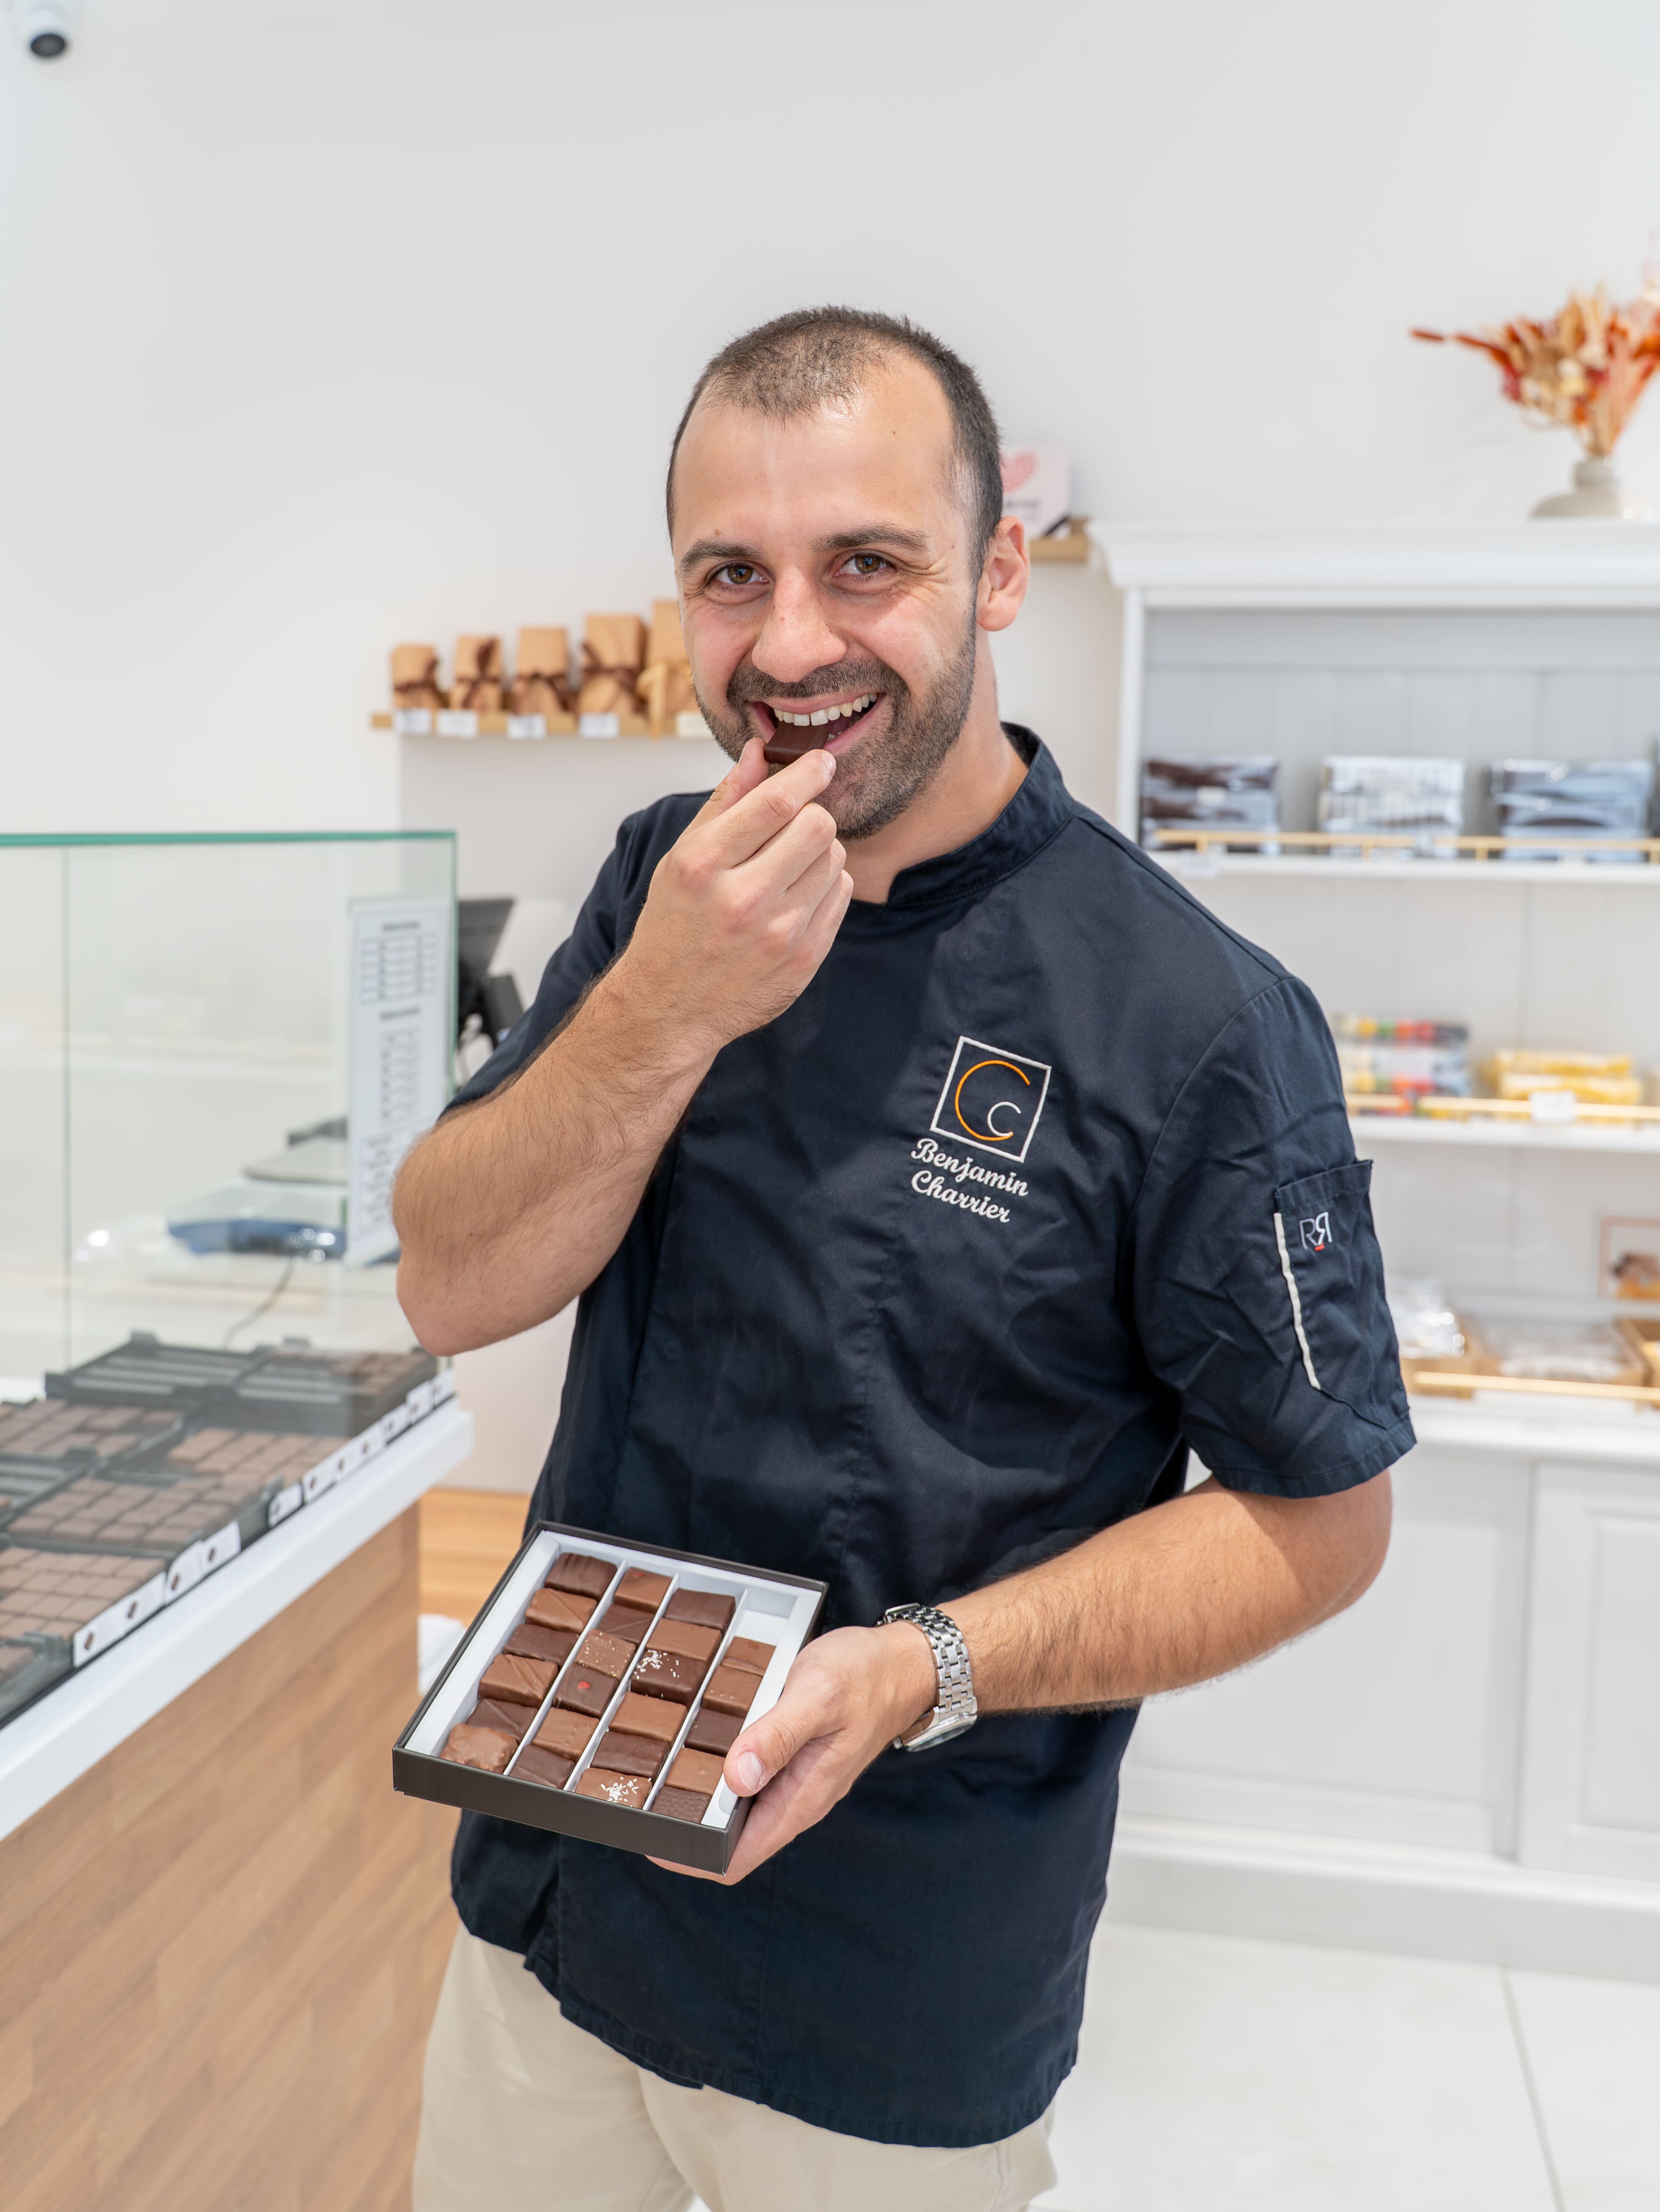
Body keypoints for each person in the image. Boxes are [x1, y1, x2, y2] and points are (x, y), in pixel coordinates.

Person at [394, 306, 1412, 2212]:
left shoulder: (1192, 1020)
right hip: (555, 1898)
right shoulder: (654, 884)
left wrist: (923, 1668)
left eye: (866, 563)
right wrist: (664, 1009)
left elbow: (1318, 1521)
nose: (788, 645)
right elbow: (449, 1281)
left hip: (892, 1989)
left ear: (999, 569)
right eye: (731, 577)